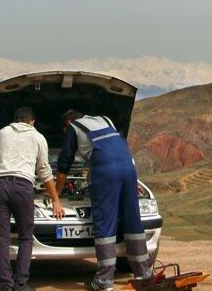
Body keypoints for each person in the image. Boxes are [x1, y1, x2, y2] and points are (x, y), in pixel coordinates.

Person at [56, 110, 152, 291]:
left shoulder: (73, 127)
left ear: (67, 123)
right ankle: (143, 274)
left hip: (106, 172)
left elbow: (64, 162)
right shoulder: (106, 119)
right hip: (129, 168)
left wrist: (56, 193)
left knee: (106, 223)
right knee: (133, 220)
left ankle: (104, 281)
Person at [0, 107, 64, 291]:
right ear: (32, 122)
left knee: (2, 237)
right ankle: (21, 284)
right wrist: (55, 199)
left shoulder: (2, 132)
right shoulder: (38, 137)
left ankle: (5, 285)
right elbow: (44, 171)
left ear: (15, 120)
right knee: (25, 236)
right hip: (22, 187)